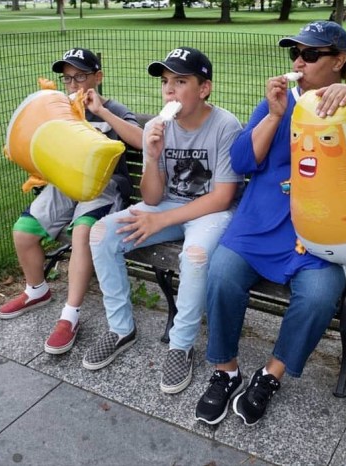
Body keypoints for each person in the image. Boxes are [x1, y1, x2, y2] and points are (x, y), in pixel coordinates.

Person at [194, 21, 346, 426]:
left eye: (311, 54)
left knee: (318, 297)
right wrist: (273, 115)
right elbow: (243, 161)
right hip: (261, 223)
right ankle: (226, 370)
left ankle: (271, 374)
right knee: (222, 275)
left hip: (322, 231)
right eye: (294, 53)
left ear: (339, 60)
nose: (299, 62)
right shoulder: (279, 102)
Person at [84, 47, 244, 395]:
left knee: (196, 256)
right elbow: (153, 198)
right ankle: (120, 328)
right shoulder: (159, 127)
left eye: (181, 81)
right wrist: (153, 156)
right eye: (165, 81)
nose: (169, 89)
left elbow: (222, 197)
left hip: (211, 213)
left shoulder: (225, 126)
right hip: (168, 205)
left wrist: (161, 221)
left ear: (204, 89)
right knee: (101, 233)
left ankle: (180, 345)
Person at [0, 48, 143, 357]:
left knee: (82, 233)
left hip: (104, 188)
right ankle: (36, 289)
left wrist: (102, 112)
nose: (74, 85)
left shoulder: (113, 108)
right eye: (68, 79)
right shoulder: (59, 110)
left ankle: (70, 315)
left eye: (80, 77)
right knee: (23, 231)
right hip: (63, 186)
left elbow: (141, 141)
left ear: (98, 77)